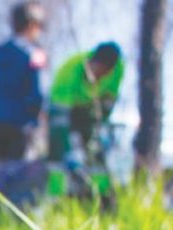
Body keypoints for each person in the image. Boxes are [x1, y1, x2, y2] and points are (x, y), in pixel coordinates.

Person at [48, 42, 124, 202]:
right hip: (64, 111)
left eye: (105, 73)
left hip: (90, 112)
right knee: (58, 157)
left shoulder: (118, 69)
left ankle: (101, 198)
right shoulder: (69, 71)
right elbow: (59, 119)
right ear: (91, 63)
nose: (99, 76)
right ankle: (56, 199)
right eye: (97, 71)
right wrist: (67, 148)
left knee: (96, 156)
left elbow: (108, 101)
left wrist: (99, 125)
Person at [0, 1, 47, 161]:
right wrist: (34, 119)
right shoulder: (33, 55)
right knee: (18, 168)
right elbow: (36, 92)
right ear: (32, 25)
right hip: (21, 122)